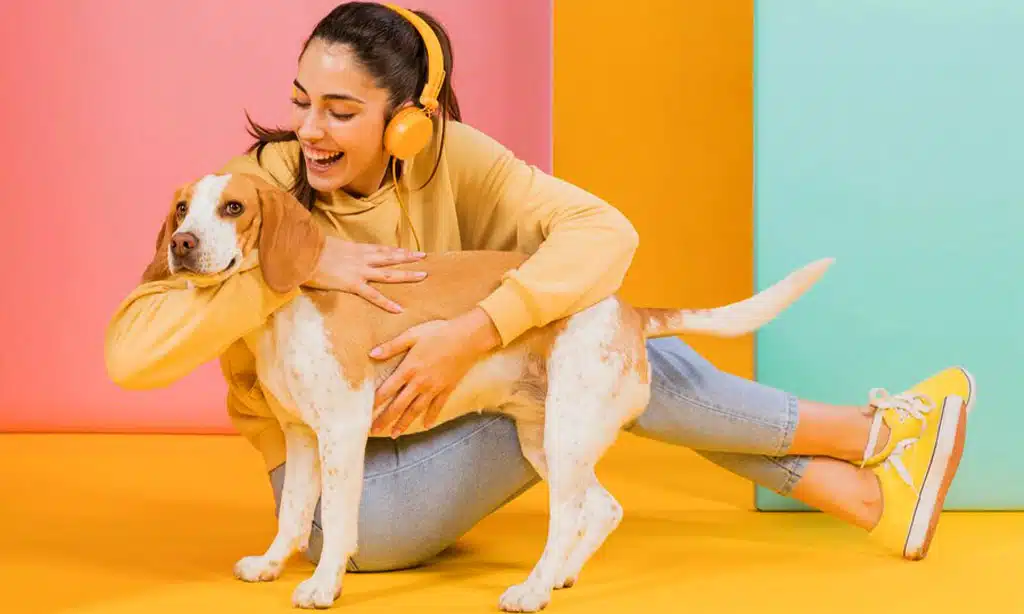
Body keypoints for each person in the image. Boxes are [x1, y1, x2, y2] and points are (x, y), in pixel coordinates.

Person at [104, 1, 974, 573]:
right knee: (601, 343)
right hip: (359, 508)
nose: (309, 130)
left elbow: (608, 235)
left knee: (595, 336)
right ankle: (867, 438)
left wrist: (477, 331)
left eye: (340, 111)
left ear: (407, 121)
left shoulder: (456, 160)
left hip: (446, 420)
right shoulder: (254, 193)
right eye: (302, 102)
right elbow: (131, 357)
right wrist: (291, 268)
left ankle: (858, 488)